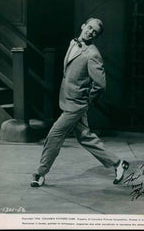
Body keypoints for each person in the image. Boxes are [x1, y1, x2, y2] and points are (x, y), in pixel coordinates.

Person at [31, 18, 129, 187]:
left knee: (53, 136)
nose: (90, 32)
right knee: (85, 137)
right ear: (83, 26)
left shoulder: (93, 54)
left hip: (76, 105)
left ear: (96, 36)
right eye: (89, 27)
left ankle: (40, 173)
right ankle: (118, 163)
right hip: (68, 100)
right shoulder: (73, 43)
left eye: (94, 32)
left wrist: (87, 101)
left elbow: (100, 85)